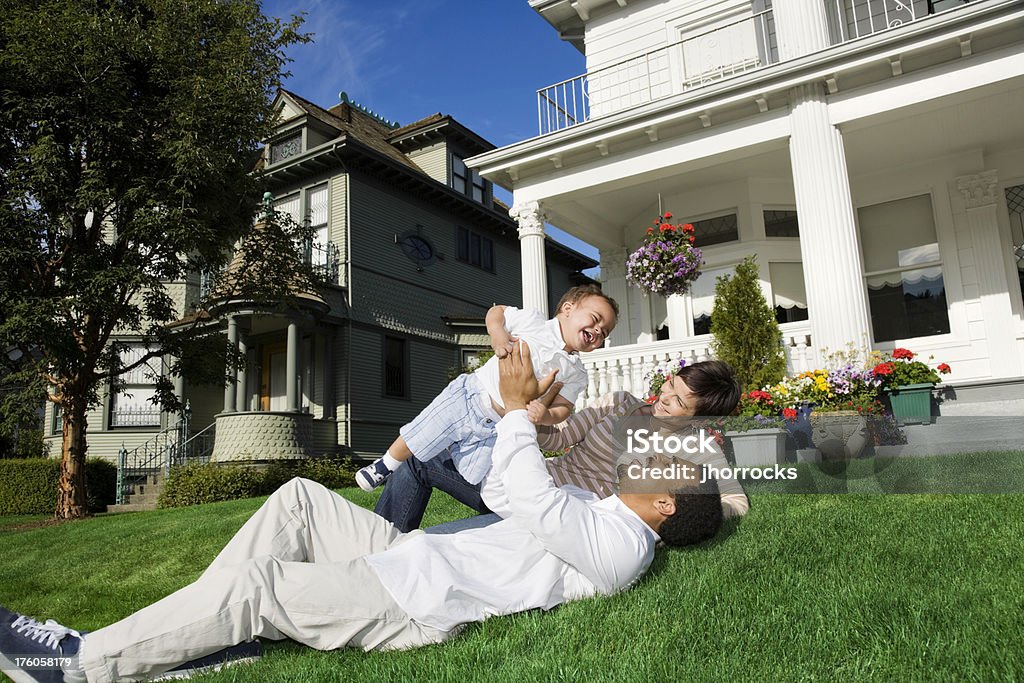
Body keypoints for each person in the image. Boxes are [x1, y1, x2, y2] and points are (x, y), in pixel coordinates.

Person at [0, 341, 722, 683]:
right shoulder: (601, 508)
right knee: (298, 500)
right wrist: (525, 416)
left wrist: (512, 408)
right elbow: (508, 492)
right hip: (414, 557)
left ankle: (80, 665)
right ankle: (215, 635)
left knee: (261, 587)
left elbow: (528, 494)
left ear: (663, 501)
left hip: (413, 600)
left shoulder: (624, 547)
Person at [375, 359, 747, 532]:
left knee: (452, 541)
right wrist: (531, 419)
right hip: (533, 479)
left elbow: (735, 502)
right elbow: (563, 436)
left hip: (569, 513)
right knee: (421, 457)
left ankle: (390, 546)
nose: (664, 396)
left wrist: (686, 514)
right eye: (672, 384)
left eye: (680, 401)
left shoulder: (698, 448)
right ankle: (382, 536)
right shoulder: (620, 403)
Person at [355, 285, 618, 492]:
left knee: (473, 475)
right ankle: (385, 465)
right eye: (595, 319)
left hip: (499, 425)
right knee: (422, 431)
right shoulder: (533, 322)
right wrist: (497, 334)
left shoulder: (576, 372)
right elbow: (497, 312)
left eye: (604, 332)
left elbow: (563, 408)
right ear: (568, 308)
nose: (597, 331)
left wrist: (545, 415)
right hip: (471, 396)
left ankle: (448, 445)